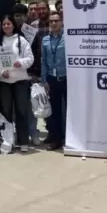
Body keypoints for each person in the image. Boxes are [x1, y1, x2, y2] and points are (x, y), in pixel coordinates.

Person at [0, 14, 34, 152]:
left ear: (13, 25)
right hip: (4, 82)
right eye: (4, 24)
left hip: (20, 81)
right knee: (6, 112)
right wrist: (0, 73)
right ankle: (8, 142)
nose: (6, 26)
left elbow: (30, 58)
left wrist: (20, 62)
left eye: (8, 23)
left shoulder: (21, 40)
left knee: (21, 111)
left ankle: (23, 141)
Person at [13, 2, 42, 146]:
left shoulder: (32, 32)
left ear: (26, 16)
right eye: (16, 16)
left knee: (31, 106)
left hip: (29, 75)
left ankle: (33, 132)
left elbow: (37, 53)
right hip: (14, 75)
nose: (18, 18)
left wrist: (35, 73)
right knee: (16, 107)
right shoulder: (9, 31)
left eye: (21, 16)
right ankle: (18, 134)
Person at [41, 12, 67, 151]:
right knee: (55, 110)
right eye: (51, 21)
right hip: (52, 78)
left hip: (66, 78)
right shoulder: (45, 40)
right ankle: (57, 139)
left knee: (68, 110)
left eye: (56, 21)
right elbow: (43, 61)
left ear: (61, 22)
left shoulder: (67, 37)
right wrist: (44, 80)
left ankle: (69, 138)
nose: (54, 23)